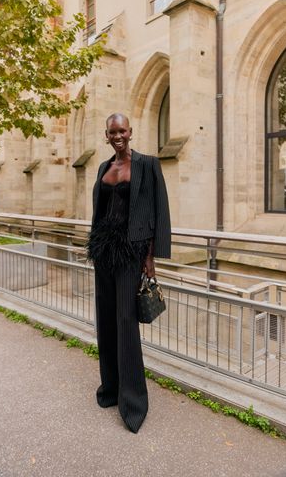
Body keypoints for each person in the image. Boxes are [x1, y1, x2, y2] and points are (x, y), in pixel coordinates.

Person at [86, 113, 171, 433]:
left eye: (122, 130)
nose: (117, 135)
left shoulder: (148, 165)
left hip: (131, 253)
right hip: (103, 250)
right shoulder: (103, 167)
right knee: (105, 319)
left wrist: (152, 259)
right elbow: (100, 211)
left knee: (125, 321)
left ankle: (133, 402)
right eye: (112, 131)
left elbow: (161, 211)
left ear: (130, 132)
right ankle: (110, 390)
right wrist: (94, 246)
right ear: (106, 135)